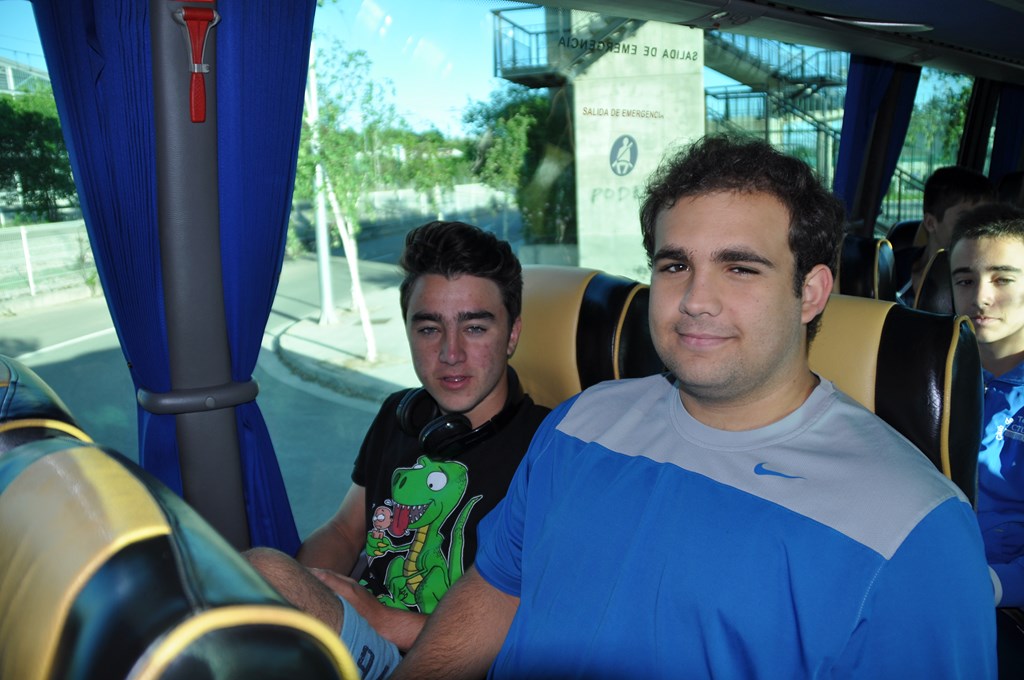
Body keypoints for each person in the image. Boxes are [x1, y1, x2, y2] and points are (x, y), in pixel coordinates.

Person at [391, 136, 996, 679]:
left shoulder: (913, 528)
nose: (696, 300)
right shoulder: (579, 423)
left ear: (810, 293)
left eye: (740, 268)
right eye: (675, 265)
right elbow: (496, 588)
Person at [246, 221, 550, 679]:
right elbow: (346, 531)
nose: (450, 353)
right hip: (364, 636)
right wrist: (309, 591)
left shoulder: (549, 447)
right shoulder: (399, 414)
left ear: (511, 335)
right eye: (429, 329)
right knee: (254, 578)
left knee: (264, 567)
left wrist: (385, 621)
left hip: (447, 661)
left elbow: (541, 628)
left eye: (474, 327)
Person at [949, 202, 1024, 673]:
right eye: (964, 280)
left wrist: (993, 585)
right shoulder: (927, 376)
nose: (980, 297)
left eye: (1003, 279)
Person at [897, 166, 994, 304]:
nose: (979, 227)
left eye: (985, 218)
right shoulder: (891, 271)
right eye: (964, 218)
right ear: (931, 223)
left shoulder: (989, 285)